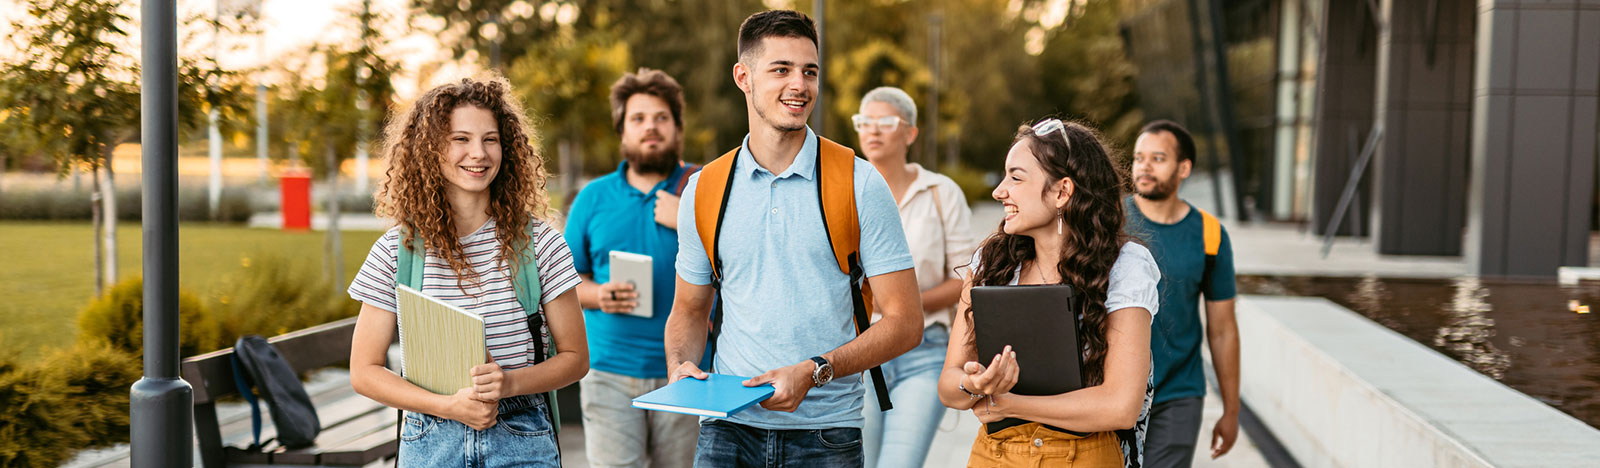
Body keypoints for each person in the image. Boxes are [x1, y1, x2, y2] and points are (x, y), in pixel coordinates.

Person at [662, 9, 924, 468]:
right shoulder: (705, 188)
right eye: (781, 69)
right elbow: (688, 309)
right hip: (727, 429)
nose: (799, 85)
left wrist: (815, 370)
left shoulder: (859, 183)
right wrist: (680, 365)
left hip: (827, 434)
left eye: (809, 71)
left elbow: (905, 322)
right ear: (743, 77)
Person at [345, 76, 587, 468]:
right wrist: (447, 405)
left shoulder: (540, 244)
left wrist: (509, 383)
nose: (479, 153)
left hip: (521, 435)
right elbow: (364, 371)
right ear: (431, 149)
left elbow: (576, 358)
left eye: (490, 139)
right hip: (429, 440)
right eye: (461, 139)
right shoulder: (397, 250)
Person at [938, 118, 1160, 468]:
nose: (999, 191)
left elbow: (1121, 406)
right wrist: (974, 382)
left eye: (1015, 177)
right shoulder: (991, 262)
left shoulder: (1125, 266)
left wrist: (1012, 404)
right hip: (994, 455)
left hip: (1084, 456)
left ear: (1062, 192)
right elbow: (948, 386)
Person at [564, 68, 699, 468]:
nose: (650, 128)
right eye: (638, 119)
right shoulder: (592, 198)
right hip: (607, 371)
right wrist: (598, 295)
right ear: (622, 131)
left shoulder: (703, 189)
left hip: (688, 373)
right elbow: (562, 284)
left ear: (677, 128)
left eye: (661, 118)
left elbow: (741, 264)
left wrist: (690, 218)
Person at [851, 86, 976, 468]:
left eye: (886, 122)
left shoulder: (941, 192)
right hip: (861, 355)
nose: (873, 131)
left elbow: (965, 278)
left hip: (924, 353)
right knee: (860, 463)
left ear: (910, 133)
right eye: (864, 122)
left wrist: (902, 306)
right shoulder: (844, 191)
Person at [1125, 120, 1240, 467]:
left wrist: (1231, 411)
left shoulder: (1209, 234)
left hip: (1178, 392)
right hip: (1113, 388)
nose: (1144, 166)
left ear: (1184, 168)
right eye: (1138, 157)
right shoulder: (1109, 221)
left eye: (1157, 158)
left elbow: (1222, 330)